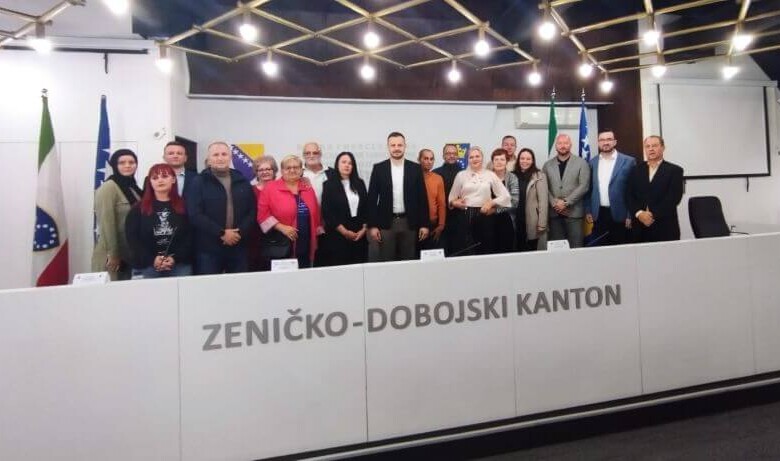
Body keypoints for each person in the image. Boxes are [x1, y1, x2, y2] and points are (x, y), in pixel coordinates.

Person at [187, 141, 257, 274]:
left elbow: (252, 211)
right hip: (208, 248)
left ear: (230, 157)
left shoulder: (242, 180)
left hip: (238, 245)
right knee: (210, 285)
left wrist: (238, 233)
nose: (220, 158)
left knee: (239, 284)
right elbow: (195, 214)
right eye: (216, 155)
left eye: (224, 154)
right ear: (209, 159)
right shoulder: (198, 182)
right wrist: (222, 233)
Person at [366, 131, 430, 262]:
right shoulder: (379, 168)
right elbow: (371, 199)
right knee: (387, 261)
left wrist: (424, 224)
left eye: (399, 145)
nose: (396, 148)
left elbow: (422, 198)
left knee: (409, 261)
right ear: (388, 147)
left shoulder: (415, 168)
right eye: (393, 145)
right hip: (386, 223)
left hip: (409, 222)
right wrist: (372, 226)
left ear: (405, 146)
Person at [125, 164, 192, 278]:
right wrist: (152, 259)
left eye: (164, 176)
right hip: (147, 266)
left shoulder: (185, 206)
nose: (160, 180)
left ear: (173, 179)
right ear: (150, 182)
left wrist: (174, 258)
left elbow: (190, 237)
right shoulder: (138, 209)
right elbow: (132, 239)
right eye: (155, 178)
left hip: (179, 265)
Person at [258, 155, 322, 268]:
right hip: (281, 245)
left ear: (301, 170)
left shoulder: (308, 188)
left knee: (305, 274)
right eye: (288, 168)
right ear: (282, 171)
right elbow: (262, 216)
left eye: (296, 167)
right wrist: (281, 227)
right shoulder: (270, 188)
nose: (292, 170)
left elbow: (316, 213)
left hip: (306, 243)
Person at [448, 146, 511, 255]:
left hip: (485, 214)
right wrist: (454, 202)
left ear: (482, 158)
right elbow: (451, 198)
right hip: (465, 215)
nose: (475, 159)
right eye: (471, 157)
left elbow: (505, 196)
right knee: (466, 249)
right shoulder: (460, 175)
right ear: (468, 159)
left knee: (485, 248)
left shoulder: (490, 174)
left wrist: (491, 202)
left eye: (477, 156)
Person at [91, 148, 142, 281]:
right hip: (112, 257)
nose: (127, 166)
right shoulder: (109, 187)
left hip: (129, 254)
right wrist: (113, 254)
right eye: (122, 163)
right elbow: (106, 224)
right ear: (114, 165)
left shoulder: (134, 187)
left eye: (131, 162)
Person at [627, 135, 684, 242]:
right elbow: (629, 195)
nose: (651, 149)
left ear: (663, 148)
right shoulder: (635, 170)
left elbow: (674, 198)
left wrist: (651, 215)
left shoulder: (675, 170)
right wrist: (639, 214)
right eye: (647, 146)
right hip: (639, 227)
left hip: (665, 227)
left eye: (654, 146)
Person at [585, 130, 637, 246]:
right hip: (599, 214)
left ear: (615, 142)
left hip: (621, 215)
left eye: (609, 139)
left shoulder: (629, 161)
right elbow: (589, 189)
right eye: (602, 140)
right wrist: (588, 210)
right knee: (599, 249)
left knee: (621, 250)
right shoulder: (592, 163)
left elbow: (634, 192)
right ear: (598, 143)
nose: (605, 142)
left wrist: (630, 215)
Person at [543, 133, 591, 248]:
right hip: (554, 214)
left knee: (576, 246)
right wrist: (554, 203)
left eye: (566, 143)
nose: (563, 146)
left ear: (570, 145)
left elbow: (584, 186)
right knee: (557, 248)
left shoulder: (581, 163)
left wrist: (566, 202)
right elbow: (544, 187)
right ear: (556, 146)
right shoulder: (547, 165)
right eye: (560, 143)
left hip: (574, 213)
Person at [320, 152, 368, 266]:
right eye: (344, 162)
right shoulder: (328, 185)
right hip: (338, 233)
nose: (347, 165)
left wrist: (364, 229)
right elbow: (327, 212)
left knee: (359, 267)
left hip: (359, 232)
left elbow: (366, 207)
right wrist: (345, 232)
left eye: (350, 163)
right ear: (337, 164)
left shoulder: (360, 183)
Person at [513, 148, 548, 251]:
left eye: (528, 159)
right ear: (518, 160)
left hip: (532, 220)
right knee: (516, 248)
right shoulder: (512, 175)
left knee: (531, 249)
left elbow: (543, 201)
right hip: (516, 218)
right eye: (522, 158)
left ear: (532, 161)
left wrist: (542, 223)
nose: (525, 161)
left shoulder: (539, 176)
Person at [433, 143, 464, 256]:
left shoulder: (465, 173)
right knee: (441, 251)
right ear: (443, 156)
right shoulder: (435, 173)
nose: (451, 156)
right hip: (441, 219)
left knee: (459, 251)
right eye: (448, 153)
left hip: (460, 218)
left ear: (457, 156)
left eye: (454, 153)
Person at [248, 155, 278, 271]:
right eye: (261, 170)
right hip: (256, 236)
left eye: (268, 169)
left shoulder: (283, 188)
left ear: (274, 171)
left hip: (278, 236)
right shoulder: (250, 190)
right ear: (256, 173)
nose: (265, 172)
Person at [490, 148, 519, 253]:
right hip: (487, 220)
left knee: (505, 251)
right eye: (496, 159)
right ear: (492, 161)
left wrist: (495, 210)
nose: (499, 162)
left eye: (502, 159)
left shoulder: (512, 178)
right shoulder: (486, 177)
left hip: (506, 219)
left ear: (507, 161)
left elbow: (514, 202)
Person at [418, 148, 446, 250]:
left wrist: (441, 225)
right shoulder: (412, 176)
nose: (429, 161)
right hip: (414, 225)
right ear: (419, 160)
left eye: (431, 159)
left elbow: (441, 203)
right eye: (426, 158)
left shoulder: (438, 178)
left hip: (433, 224)